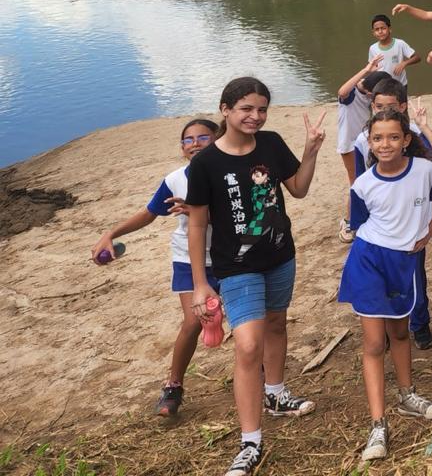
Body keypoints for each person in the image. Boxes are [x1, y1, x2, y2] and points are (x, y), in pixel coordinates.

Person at [186, 78, 326, 476]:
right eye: (246, 108)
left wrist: (311, 150)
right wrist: (200, 283)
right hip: (236, 266)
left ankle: (276, 394)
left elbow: (297, 189)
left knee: (278, 323)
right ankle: (251, 442)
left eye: (262, 108)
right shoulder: (206, 163)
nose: (255, 116)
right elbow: (197, 226)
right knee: (248, 344)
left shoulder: (271, 143)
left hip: (281, 256)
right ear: (225, 109)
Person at [90, 117, 220, 418]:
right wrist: (111, 234)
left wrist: (198, 211)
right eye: (188, 139)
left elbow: (242, 218)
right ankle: (173, 385)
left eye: (204, 137)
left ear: (218, 139)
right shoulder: (175, 179)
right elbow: (149, 214)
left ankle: (261, 372)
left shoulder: (230, 173)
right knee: (192, 322)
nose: (196, 144)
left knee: (248, 320)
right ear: (182, 147)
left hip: (231, 256)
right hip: (189, 258)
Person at [339, 109, 432, 461]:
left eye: (392, 137)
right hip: (369, 260)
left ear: (405, 140)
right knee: (374, 342)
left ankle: (407, 395)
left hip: (404, 262)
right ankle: (377, 424)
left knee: (400, 333)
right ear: (368, 143)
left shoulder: (425, 171)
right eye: (377, 138)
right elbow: (360, 225)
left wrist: (428, 232)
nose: (385, 144)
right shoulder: (363, 184)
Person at [337, 61, 394, 243]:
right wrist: (365, 70)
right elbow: (342, 92)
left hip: (366, 142)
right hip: (350, 145)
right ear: (371, 92)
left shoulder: (370, 98)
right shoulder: (352, 95)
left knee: (369, 180)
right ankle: (348, 222)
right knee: (356, 183)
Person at [369, 14, 420, 87]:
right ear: (373, 32)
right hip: (382, 86)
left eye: (383, 28)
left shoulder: (400, 43)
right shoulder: (372, 48)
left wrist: (404, 63)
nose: (380, 31)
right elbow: (372, 66)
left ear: (389, 29)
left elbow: (417, 57)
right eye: (377, 29)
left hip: (400, 84)